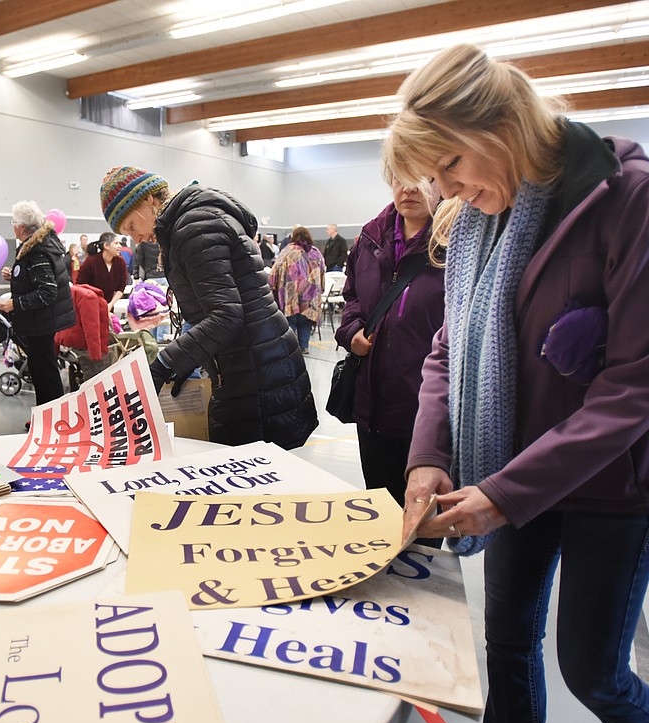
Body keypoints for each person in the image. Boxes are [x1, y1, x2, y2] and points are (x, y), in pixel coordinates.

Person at [387, 45, 649, 723]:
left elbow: (640, 381)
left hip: (618, 479)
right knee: (508, 638)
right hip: (514, 470)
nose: (448, 190)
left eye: (453, 164)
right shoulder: (478, 222)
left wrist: (503, 492)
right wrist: (431, 453)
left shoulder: (637, 200)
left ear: (499, 124)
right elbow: (447, 344)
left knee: (595, 668)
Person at [100, 165, 317, 450]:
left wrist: (165, 364)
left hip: (258, 374)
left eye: (131, 226)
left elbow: (226, 316)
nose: (136, 238)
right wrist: (188, 358)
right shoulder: (193, 221)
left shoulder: (193, 228)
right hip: (255, 363)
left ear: (148, 200)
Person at [336, 172, 444, 504]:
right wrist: (352, 331)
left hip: (428, 410)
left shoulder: (457, 241)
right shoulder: (370, 239)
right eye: (400, 178)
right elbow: (351, 297)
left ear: (443, 181)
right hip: (373, 409)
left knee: (422, 525)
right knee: (381, 512)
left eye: (422, 178)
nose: (408, 188)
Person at [0, 200, 75, 407]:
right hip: (41, 322)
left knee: (45, 374)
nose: (12, 225)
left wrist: (15, 303)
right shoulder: (43, 245)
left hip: (40, 323)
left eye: (13, 221)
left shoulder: (37, 250)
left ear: (21, 226)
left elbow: (47, 292)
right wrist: (15, 277)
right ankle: (48, 415)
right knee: (43, 371)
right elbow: (40, 278)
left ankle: (51, 418)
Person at [267, 225, 324, 355]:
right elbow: (322, 273)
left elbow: (274, 272)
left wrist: (273, 286)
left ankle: (292, 348)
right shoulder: (316, 253)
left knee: (291, 322)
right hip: (310, 295)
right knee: (306, 322)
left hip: (290, 295)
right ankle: (304, 346)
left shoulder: (287, 251)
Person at [77, 231, 129, 309]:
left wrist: (110, 304)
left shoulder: (120, 262)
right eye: (116, 243)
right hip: (91, 305)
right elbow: (80, 286)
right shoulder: (90, 262)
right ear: (106, 246)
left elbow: (121, 287)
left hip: (109, 305)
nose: (120, 246)